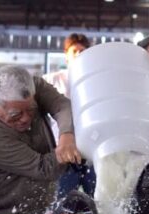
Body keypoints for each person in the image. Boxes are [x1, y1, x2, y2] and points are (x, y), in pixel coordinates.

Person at [0, 65, 80, 214]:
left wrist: (66, 135)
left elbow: (62, 105)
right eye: (15, 115)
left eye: (31, 110)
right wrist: (70, 149)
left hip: (39, 211)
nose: (26, 119)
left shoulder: (33, 86)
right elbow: (45, 168)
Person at [42, 33, 96, 199]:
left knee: (96, 202)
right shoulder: (51, 80)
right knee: (61, 202)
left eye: (83, 51)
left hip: (89, 154)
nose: (79, 54)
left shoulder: (96, 83)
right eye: (75, 51)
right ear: (67, 56)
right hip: (62, 154)